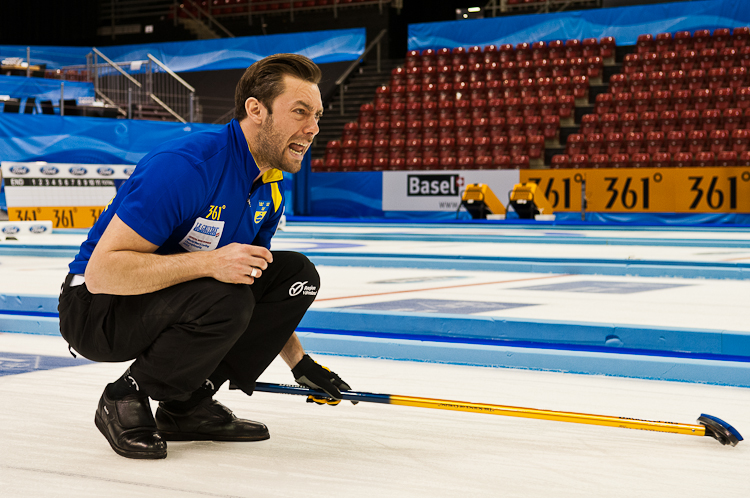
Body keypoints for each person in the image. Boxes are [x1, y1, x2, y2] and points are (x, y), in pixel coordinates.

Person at [57, 53, 352, 460]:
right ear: (256, 110)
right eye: (300, 111)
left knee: (294, 275)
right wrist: (210, 264)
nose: (313, 128)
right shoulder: (187, 167)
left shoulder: (271, 188)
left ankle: (186, 406)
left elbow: (249, 280)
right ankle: (126, 395)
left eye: (317, 115)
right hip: (94, 310)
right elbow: (101, 274)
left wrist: (299, 363)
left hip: (172, 299)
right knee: (227, 296)